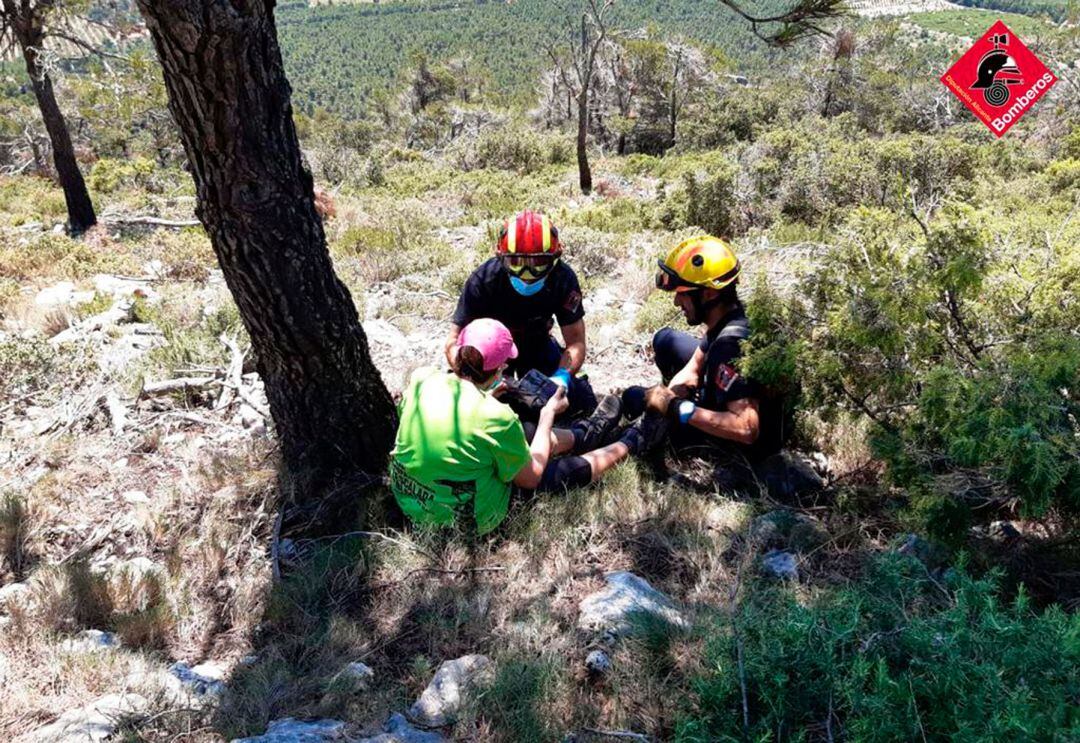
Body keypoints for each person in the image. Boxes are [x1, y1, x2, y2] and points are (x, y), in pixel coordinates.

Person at [393, 318, 665, 535]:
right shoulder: (495, 416)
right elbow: (531, 476)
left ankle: (586, 434)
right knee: (549, 474)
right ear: (500, 367)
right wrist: (548, 414)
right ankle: (631, 442)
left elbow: (452, 423)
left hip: (411, 506)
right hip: (472, 523)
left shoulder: (421, 380)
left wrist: (484, 397)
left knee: (514, 437)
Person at [626, 235, 780, 472]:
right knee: (665, 340)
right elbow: (694, 367)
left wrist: (677, 408)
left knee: (633, 397)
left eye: (683, 294)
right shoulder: (729, 316)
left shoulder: (729, 347)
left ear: (709, 294)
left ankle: (675, 437)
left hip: (741, 442)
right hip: (720, 393)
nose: (677, 302)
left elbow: (747, 429)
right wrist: (667, 397)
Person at [444, 210, 597, 419]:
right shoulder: (483, 280)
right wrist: (472, 379)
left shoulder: (563, 279)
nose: (527, 274)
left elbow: (576, 342)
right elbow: (453, 341)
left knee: (583, 401)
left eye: (538, 263)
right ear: (501, 257)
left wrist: (561, 378)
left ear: (554, 258)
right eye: (516, 262)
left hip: (538, 344)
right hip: (490, 355)